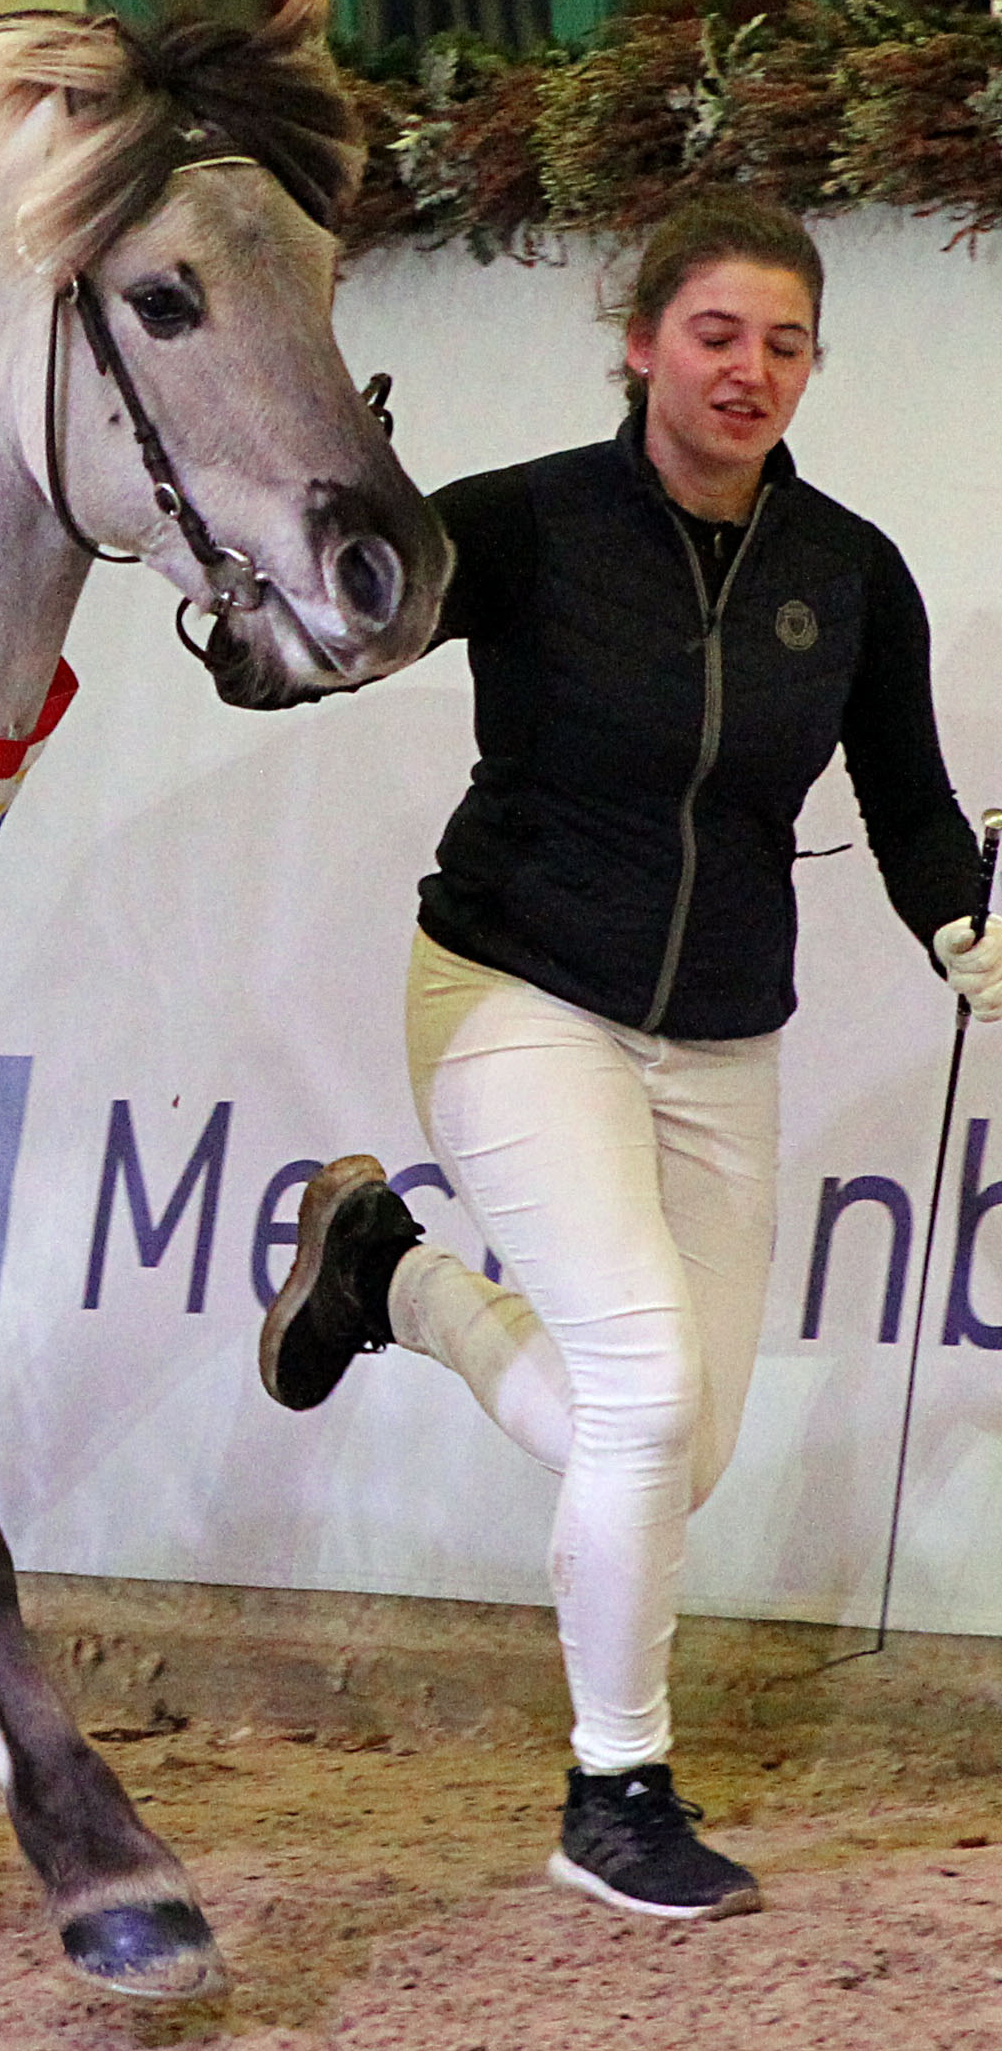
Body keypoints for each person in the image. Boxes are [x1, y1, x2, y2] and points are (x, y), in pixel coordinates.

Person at [258, 188, 1002, 1921]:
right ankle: (614, 1791)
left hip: (721, 1036)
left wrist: (978, 950)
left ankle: (394, 1279)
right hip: (514, 991)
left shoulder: (847, 572)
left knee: (680, 1453)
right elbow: (338, 623)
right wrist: (270, 624)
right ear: (642, 342)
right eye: (716, 334)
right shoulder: (522, 526)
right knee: (644, 1402)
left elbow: (905, 806)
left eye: (784, 344)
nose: (750, 371)